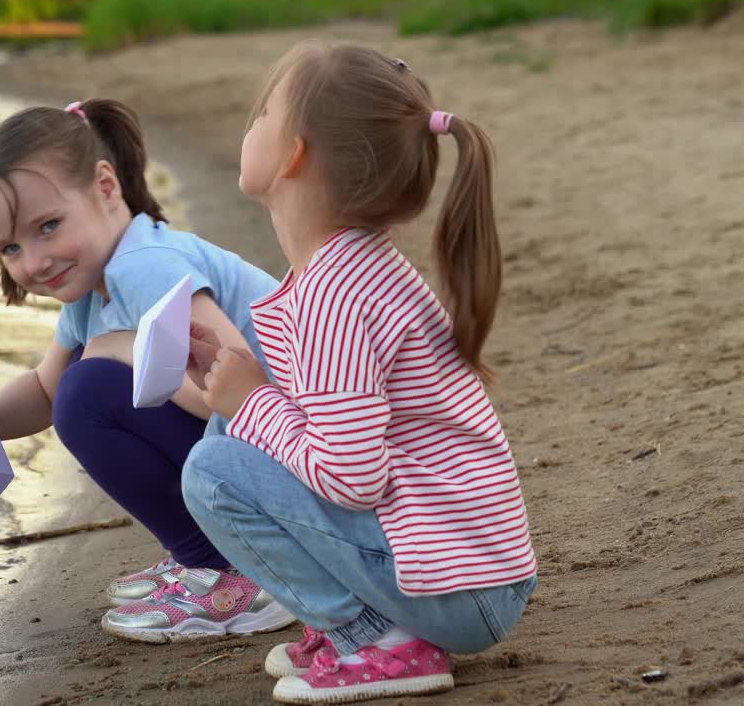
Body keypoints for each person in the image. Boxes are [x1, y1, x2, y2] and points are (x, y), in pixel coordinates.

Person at [180, 43, 538, 703]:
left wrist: (255, 400)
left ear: (293, 154)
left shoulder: (333, 296)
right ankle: (362, 625)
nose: (247, 124)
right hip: (470, 568)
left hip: (460, 588)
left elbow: (352, 477)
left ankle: (380, 640)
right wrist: (242, 390)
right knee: (229, 431)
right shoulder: (352, 268)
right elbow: (332, 425)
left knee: (210, 473)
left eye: (262, 114)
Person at [0, 98, 294, 642]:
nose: (34, 262)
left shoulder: (144, 268)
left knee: (90, 392)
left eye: (49, 226)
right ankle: (212, 557)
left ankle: (229, 571)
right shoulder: (93, 286)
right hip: (275, 461)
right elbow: (46, 390)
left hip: (303, 458)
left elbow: (241, 389)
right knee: (79, 387)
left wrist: (121, 348)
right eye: (11, 247)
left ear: (105, 186)